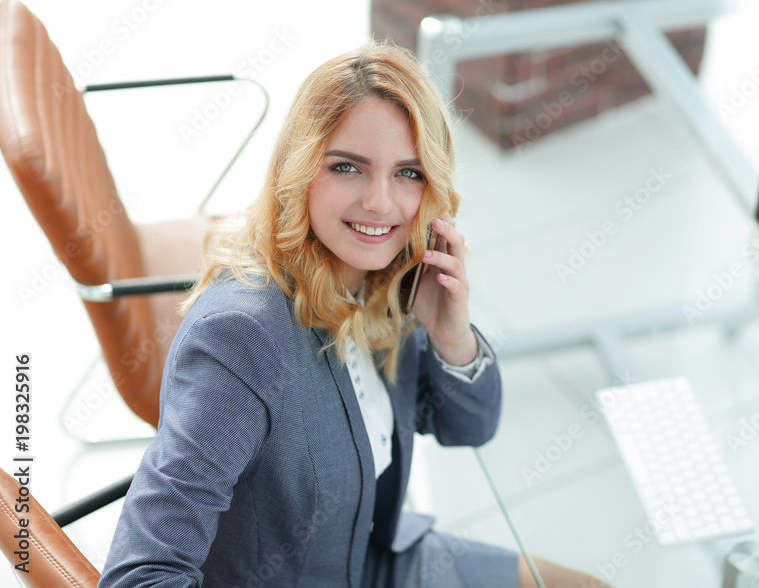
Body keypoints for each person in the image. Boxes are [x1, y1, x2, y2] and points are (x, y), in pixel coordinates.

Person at [98, 42, 612, 588]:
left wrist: (450, 336)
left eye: (408, 173)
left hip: (377, 559)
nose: (380, 203)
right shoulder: (240, 339)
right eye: (348, 167)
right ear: (299, 171)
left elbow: (471, 427)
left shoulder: (384, 277)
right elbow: (140, 575)